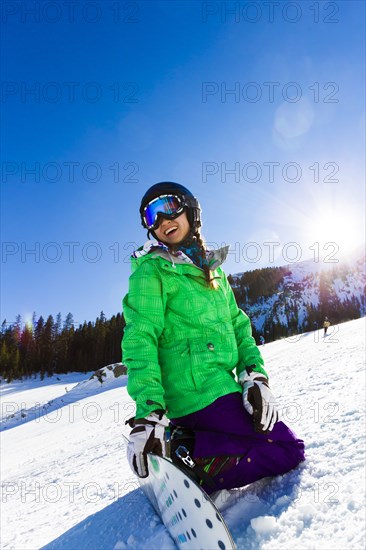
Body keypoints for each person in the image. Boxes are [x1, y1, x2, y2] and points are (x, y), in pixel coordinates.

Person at [122, 182, 305, 494]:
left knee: (281, 445)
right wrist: (150, 412)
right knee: (287, 449)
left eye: (169, 206)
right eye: (152, 215)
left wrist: (254, 379)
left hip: (223, 390)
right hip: (193, 397)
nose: (163, 220)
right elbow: (140, 338)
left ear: (191, 210)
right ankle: (188, 455)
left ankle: (186, 446)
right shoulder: (151, 272)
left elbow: (239, 327)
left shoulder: (215, 272)